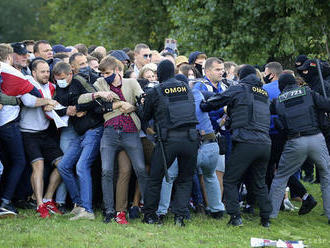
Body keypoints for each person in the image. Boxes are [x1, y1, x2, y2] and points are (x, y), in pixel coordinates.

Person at [203, 65, 273, 227]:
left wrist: (204, 105)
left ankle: (235, 217)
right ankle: (265, 219)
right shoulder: (264, 94)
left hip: (245, 140)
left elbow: (217, 100)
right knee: (259, 182)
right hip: (264, 143)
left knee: (230, 179)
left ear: (241, 76)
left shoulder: (240, 88)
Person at [141, 60, 199, 226]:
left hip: (169, 140)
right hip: (191, 139)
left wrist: (141, 105)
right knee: (185, 179)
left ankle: (150, 216)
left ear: (158, 75)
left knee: (155, 178)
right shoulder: (186, 87)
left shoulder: (156, 90)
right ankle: (180, 217)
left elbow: (145, 116)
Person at [269, 73, 330, 225]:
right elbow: (326, 105)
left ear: (281, 86)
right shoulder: (309, 92)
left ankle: (270, 216)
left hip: (295, 142)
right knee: (326, 177)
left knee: (281, 177)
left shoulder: (278, 101)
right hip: (316, 138)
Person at [19, 59, 63, 218]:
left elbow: (57, 105)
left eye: (47, 71)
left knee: (63, 164)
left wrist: (54, 103)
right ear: (34, 72)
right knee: (38, 165)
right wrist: (48, 101)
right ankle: (39, 205)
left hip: (45, 133)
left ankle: (48, 198)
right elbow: (29, 101)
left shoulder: (51, 86)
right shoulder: (27, 83)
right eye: (42, 71)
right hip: (28, 133)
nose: (46, 74)